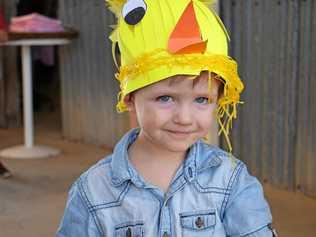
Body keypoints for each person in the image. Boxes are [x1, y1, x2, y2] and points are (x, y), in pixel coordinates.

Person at [56, 0, 277, 236]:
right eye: (165, 98)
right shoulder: (92, 191)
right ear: (129, 98)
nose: (184, 118)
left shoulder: (232, 181)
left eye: (202, 100)